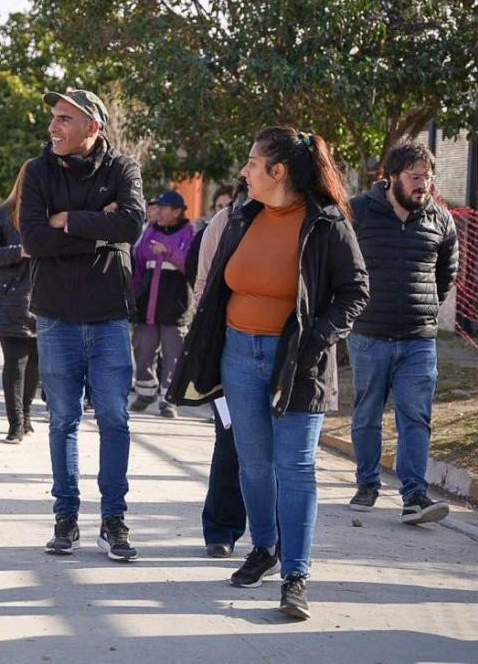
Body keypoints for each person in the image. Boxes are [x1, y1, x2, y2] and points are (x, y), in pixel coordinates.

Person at [168, 126, 368, 619]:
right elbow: (217, 283)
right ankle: (264, 547)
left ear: (278, 172)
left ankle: (295, 575)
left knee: (295, 466)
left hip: (297, 361)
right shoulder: (242, 216)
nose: (244, 172)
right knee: (252, 462)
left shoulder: (326, 223)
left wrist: (317, 339)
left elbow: (355, 291)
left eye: (253, 164)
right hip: (238, 353)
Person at [20, 87, 146, 561]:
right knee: (62, 421)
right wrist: (99, 225)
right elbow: (32, 237)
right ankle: (66, 518)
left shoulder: (123, 169)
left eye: (65, 119)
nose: (54, 127)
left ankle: (114, 519)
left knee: (114, 418)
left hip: (110, 316)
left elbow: (132, 226)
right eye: (53, 117)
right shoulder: (37, 171)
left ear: (93, 127)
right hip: (55, 317)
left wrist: (68, 220)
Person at [347, 140, 458, 524]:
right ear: (391, 177)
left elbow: (446, 273)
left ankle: (415, 495)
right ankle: (367, 482)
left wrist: (424, 307)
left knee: (416, 416)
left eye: (427, 177)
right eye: (414, 177)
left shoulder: (441, 220)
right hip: (368, 335)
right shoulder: (358, 212)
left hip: (418, 339)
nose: (422, 185)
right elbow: (341, 263)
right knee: (367, 414)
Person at [189, 181, 248, 558]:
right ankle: (222, 529)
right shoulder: (226, 222)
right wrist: (207, 337)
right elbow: (202, 283)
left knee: (274, 450)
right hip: (229, 346)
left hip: (282, 350)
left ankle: (271, 535)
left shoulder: (299, 218)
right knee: (230, 441)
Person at [0, 160, 38, 443]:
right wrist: (20, 251)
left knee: (36, 366)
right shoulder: (2, 215)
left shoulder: (48, 214)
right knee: (15, 364)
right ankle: (15, 422)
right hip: (12, 301)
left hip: (46, 300)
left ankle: (26, 415)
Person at [129, 190, 194, 418]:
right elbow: (138, 266)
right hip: (147, 307)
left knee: (173, 354)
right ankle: (145, 391)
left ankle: (169, 400)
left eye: (163, 207)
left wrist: (168, 252)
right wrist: (133, 297)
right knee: (143, 349)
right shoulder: (149, 232)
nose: (158, 211)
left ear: (176, 211)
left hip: (175, 308)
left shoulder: (189, 233)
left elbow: (190, 265)